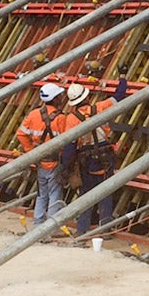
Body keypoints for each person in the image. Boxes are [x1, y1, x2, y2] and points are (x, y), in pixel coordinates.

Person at [54, 79, 120, 234]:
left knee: (86, 193)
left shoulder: (71, 118)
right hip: (105, 156)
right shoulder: (100, 107)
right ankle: (105, 229)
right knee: (106, 192)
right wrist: (122, 77)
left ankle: (82, 229)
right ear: (87, 97)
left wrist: (66, 165)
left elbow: (70, 145)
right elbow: (120, 95)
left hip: (86, 159)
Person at [16, 82, 69, 227]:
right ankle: (50, 228)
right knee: (55, 195)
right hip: (55, 163)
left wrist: (31, 153)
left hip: (40, 162)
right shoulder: (60, 118)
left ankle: (38, 225)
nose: (62, 98)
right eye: (60, 96)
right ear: (55, 98)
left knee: (42, 195)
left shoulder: (34, 114)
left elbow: (21, 134)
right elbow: (68, 141)